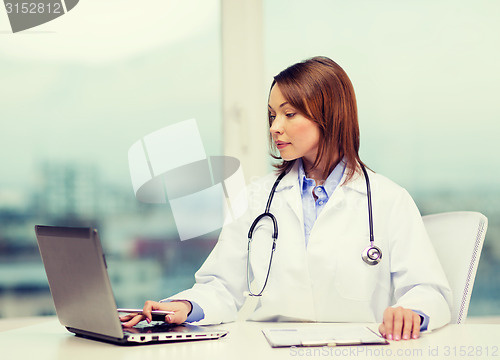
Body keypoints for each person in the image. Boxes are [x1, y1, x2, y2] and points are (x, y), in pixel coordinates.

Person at [121, 56, 452, 341]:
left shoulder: (388, 200)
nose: (274, 127)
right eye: (271, 115)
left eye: (289, 114)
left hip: (356, 350)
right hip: (267, 348)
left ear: (330, 114)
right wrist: (186, 307)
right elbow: (221, 285)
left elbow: (429, 290)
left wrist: (413, 313)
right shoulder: (257, 197)